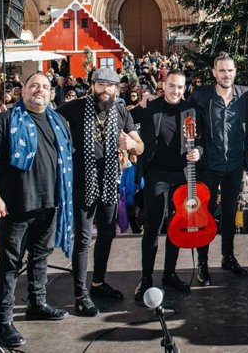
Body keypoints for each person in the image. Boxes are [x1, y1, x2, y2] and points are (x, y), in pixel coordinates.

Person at [0, 73, 73, 348]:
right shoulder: (4, 121)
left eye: (45, 87)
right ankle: (5, 320)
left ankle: (37, 303)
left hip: (49, 204)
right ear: (23, 90)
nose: (39, 90)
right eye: (34, 86)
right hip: (16, 207)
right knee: (10, 264)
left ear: (52, 93)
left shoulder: (58, 122)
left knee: (40, 258)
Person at [57, 68, 144, 317]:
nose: (105, 90)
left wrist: (132, 144)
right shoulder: (74, 108)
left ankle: (98, 283)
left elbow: (140, 145)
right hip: (82, 182)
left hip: (108, 182)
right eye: (100, 84)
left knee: (107, 234)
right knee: (83, 239)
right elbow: (48, 123)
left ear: (117, 88)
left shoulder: (120, 110)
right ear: (91, 86)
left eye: (110, 85)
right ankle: (80, 295)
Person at [132, 70, 205, 301]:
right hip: (157, 175)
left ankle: (169, 273)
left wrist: (198, 152)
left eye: (180, 87)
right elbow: (126, 119)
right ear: (163, 85)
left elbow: (202, 142)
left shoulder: (192, 110)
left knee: (177, 226)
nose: (176, 91)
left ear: (185, 88)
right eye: (172, 86)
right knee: (152, 228)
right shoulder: (149, 108)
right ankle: (145, 278)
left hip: (184, 176)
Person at [189, 53, 248, 284]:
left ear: (235, 72)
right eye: (221, 71)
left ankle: (228, 256)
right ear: (213, 72)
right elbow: (186, 118)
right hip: (209, 165)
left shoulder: (246, 95)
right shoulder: (201, 95)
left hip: (235, 163)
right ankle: (203, 263)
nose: (226, 75)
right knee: (205, 215)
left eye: (230, 70)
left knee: (229, 213)